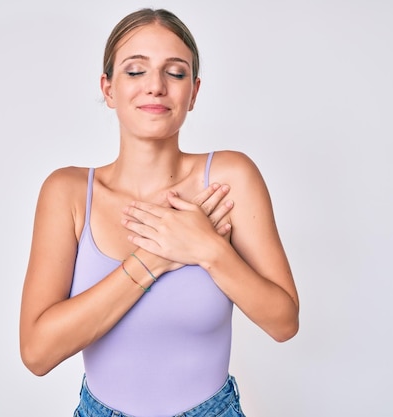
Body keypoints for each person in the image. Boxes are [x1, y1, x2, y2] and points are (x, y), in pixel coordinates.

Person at [19, 8, 299, 417]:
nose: (155, 86)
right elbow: (37, 353)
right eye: (135, 71)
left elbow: (283, 322)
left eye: (175, 72)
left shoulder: (228, 178)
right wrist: (155, 257)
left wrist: (207, 248)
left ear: (194, 92)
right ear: (109, 88)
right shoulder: (68, 193)